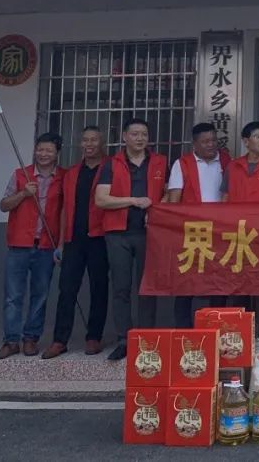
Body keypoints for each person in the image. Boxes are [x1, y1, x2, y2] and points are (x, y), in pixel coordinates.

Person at [95, 118, 167, 361]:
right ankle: (124, 340)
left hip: (149, 233)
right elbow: (101, 200)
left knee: (147, 287)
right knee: (121, 288)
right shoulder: (111, 164)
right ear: (124, 136)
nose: (140, 138)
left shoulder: (159, 162)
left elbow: (169, 194)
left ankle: (147, 338)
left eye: (144, 134)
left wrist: (156, 209)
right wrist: (134, 201)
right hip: (118, 233)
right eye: (135, 134)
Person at [0, 133, 65, 361]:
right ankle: (11, 341)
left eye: (49, 150)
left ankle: (31, 338)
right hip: (19, 244)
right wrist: (24, 193)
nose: (43, 154)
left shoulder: (63, 178)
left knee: (40, 295)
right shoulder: (20, 175)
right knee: (13, 296)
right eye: (40, 149)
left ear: (57, 153)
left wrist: (61, 244)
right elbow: (4, 205)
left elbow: (66, 212)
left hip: (46, 245)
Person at [42, 126, 109, 360]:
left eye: (94, 140)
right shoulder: (71, 173)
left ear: (102, 143)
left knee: (99, 288)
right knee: (67, 290)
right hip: (73, 240)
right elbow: (64, 209)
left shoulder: (110, 168)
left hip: (100, 238)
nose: (89, 144)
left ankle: (94, 337)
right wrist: (61, 242)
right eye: (85, 140)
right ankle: (60, 340)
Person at [166, 122, 230, 328]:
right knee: (187, 283)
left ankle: (215, 327)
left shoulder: (227, 162)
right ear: (194, 144)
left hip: (220, 231)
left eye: (213, 140)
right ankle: (183, 329)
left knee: (218, 282)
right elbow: (174, 200)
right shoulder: (182, 164)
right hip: (192, 232)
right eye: (205, 142)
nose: (211, 145)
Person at [222, 121, 259, 336]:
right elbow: (225, 196)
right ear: (246, 141)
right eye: (258, 136)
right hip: (237, 235)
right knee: (239, 285)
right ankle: (241, 334)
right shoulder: (233, 166)